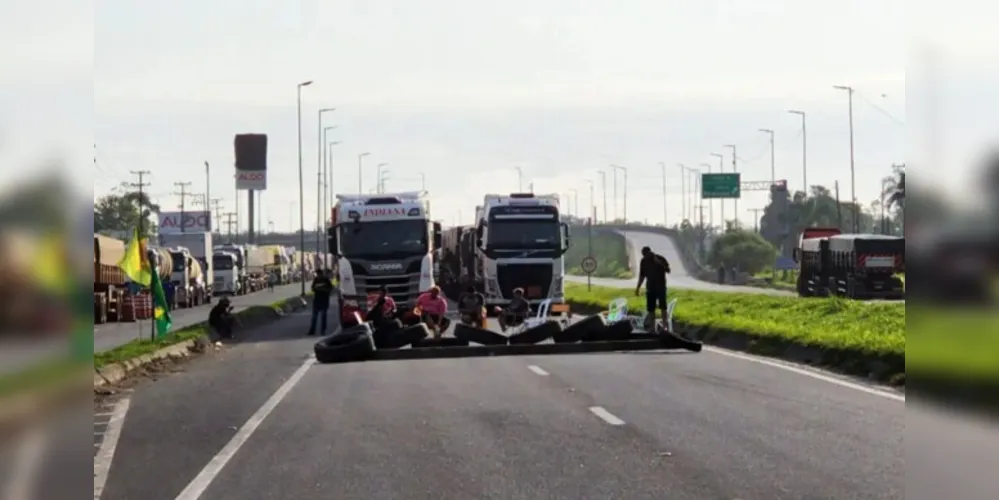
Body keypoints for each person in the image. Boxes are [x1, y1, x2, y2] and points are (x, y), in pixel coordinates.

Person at [635, 246, 670, 329]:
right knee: (651, 309)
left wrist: (659, 263)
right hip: (650, 287)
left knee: (663, 307)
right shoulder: (643, 261)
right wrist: (638, 288)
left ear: (650, 252)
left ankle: (665, 327)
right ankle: (652, 328)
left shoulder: (660, 258)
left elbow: (668, 270)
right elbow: (642, 276)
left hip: (661, 286)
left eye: (646, 255)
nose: (645, 257)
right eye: (644, 255)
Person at [307, 269, 334, 336]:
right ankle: (312, 331)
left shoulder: (326, 280)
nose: (318, 275)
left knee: (323, 316)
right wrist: (319, 288)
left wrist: (322, 289)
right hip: (317, 301)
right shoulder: (316, 280)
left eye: (319, 274)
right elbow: (313, 288)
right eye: (317, 274)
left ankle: (323, 331)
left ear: (321, 274)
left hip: (324, 301)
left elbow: (330, 288)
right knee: (314, 317)